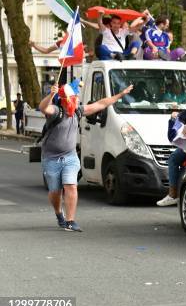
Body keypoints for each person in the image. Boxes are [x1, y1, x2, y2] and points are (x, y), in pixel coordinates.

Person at [39, 79, 133, 232]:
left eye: (76, 98)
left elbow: (101, 104)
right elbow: (43, 107)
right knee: (55, 192)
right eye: (72, 98)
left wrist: (120, 94)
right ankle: (59, 214)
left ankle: (70, 221)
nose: (75, 100)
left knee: (71, 186)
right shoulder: (57, 111)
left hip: (70, 156)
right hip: (51, 158)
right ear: (64, 100)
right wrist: (51, 95)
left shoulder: (78, 110)